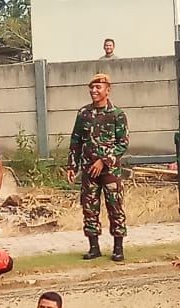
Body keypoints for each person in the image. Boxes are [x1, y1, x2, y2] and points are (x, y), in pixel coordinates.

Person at [67, 73, 130, 261]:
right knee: (89, 208)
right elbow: (76, 140)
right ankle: (94, 247)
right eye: (91, 88)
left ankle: (118, 248)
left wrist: (103, 160)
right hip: (88, 171)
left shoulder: (117, 114)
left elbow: (123, 143)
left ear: (107, 90)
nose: (94, 91)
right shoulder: (83, 113)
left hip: (110, 171)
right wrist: (72, 165)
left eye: (98, 87)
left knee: (115, 207)